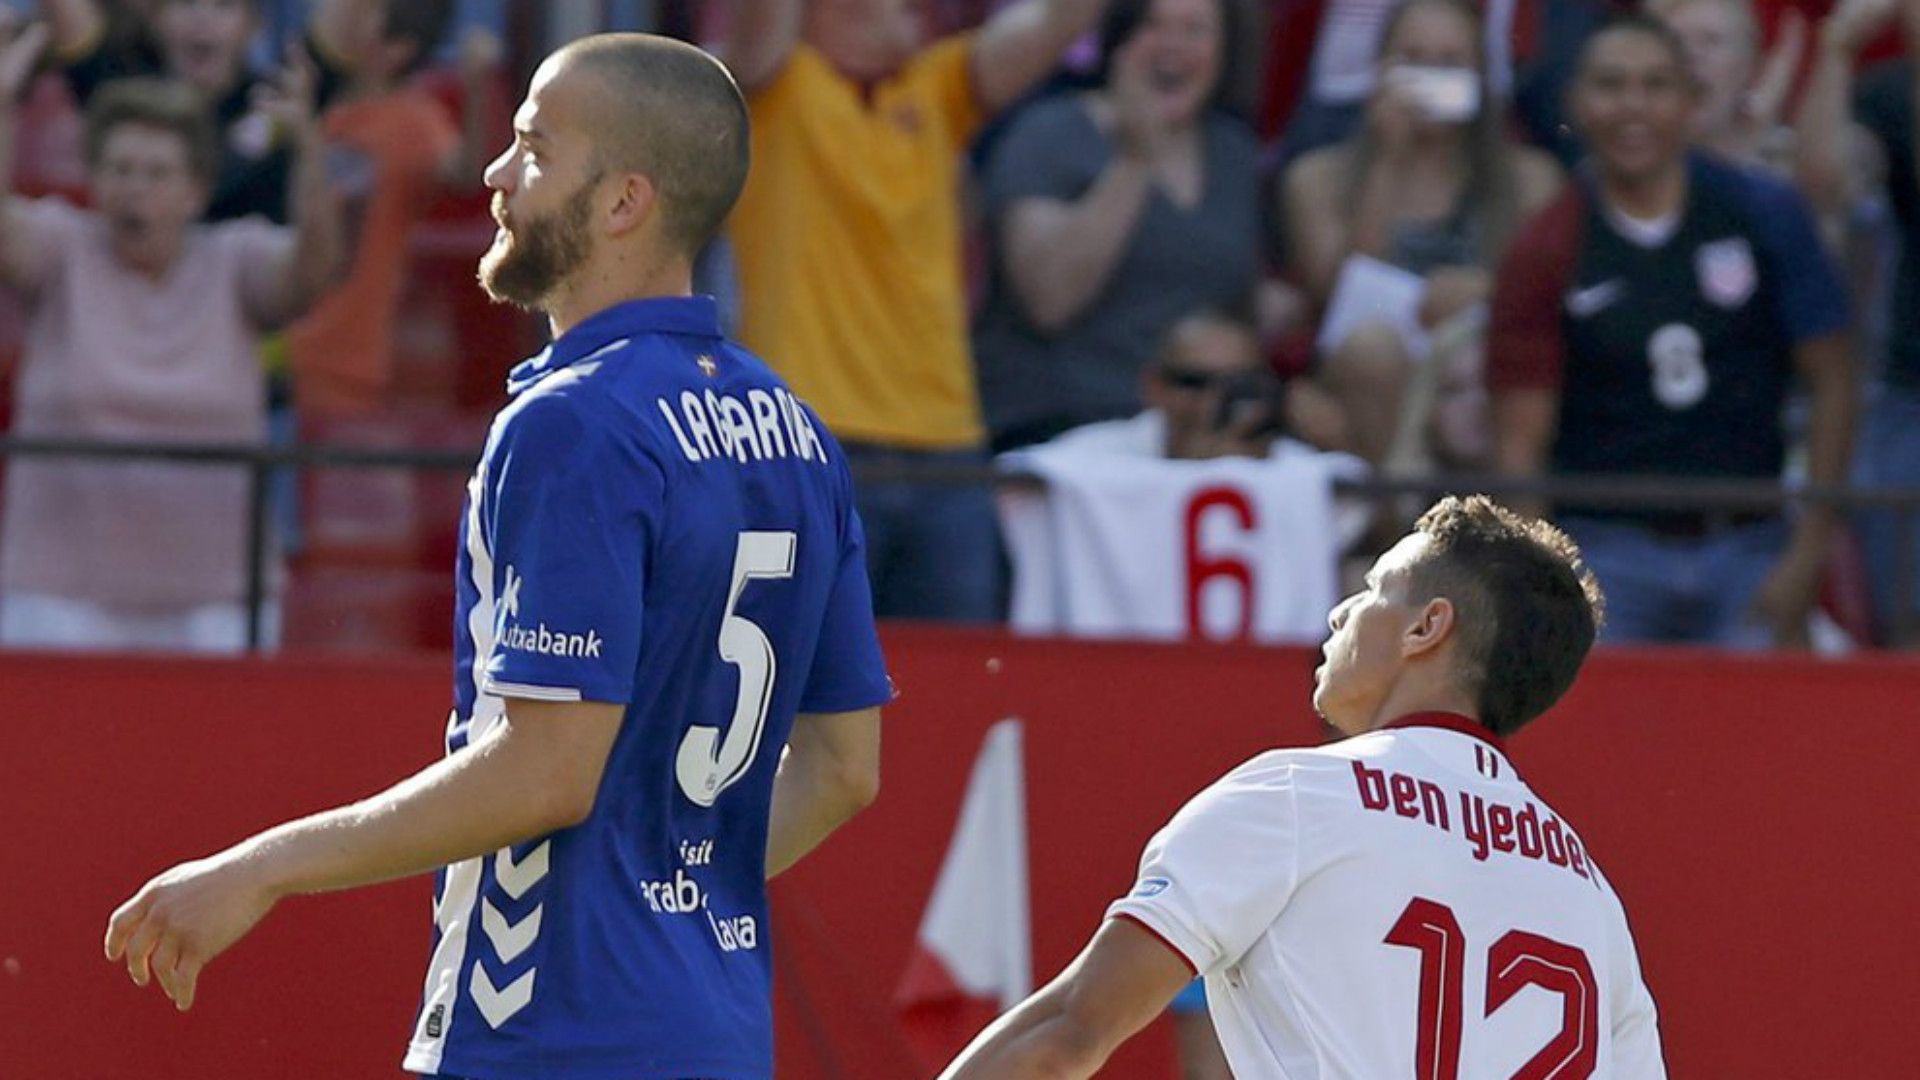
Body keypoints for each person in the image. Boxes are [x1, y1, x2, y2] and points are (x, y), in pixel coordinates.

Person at [103, 33, 893, 1080]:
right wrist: (672, 892)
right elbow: (843, 770)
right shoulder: (795, 428)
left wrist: (262, 868)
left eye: (534, 148)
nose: (495, 172)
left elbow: (547, 770)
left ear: (624, 201)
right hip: (718, 1033)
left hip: (546, 1034)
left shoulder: (575, 421)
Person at [938, 495, 1666, 1078]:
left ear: (1426, 628)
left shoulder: (1292, 796)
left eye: (1373, 587)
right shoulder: (1592, 895)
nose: (1339, 611)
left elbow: (1065, 1039)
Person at [722, 0, 1108, 622]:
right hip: (811, 442)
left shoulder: (934, 87)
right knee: (811, 669)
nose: (916, 13)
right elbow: (757, 39)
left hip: (949, 447)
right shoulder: (773, 85)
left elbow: (1057, 21)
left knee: (958, 675)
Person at [1488, 13, 1855, 649]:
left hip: (1750, 541)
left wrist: (1807, 553)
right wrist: (1558, 587)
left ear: (1689, 100)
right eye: (1611, 85)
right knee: (1600, 713)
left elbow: (1835, 378)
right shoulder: (1546, 246)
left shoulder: (1765, 213)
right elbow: (1520, 445)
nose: (1633, 106)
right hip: (1605, 549)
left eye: (1655, 85)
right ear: (1575, 103)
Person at [0, 29, 342, 651]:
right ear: (94, 178)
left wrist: (308, 148)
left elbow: (313, 272)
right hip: (58, 597)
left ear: (197, 191)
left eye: (157, 173)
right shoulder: (62, 247)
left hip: (217, 600)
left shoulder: (235, 259)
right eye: (119, 170)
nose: (135, 188)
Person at [1282, 0, 1561, 470]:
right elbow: (1334, 299)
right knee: (1373, 350)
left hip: (1478, 357)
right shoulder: (1316, 178)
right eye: (1412, 60)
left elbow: (1552, 295)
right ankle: (1397, 510)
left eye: (1450, 62)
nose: (1429, 77)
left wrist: (1486, 294)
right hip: (1366, 375)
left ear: (1482, 75)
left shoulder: (1531, 179)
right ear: (1379, 71)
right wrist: (1388, 161)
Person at [973, 0, 1260, 452]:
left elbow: (1241, 308)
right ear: (1117, 39)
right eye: (1152, 24)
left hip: (1195, 436)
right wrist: (1136, 158)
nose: (1173, 46)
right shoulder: (1048, 132)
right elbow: (1048, 301)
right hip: (1062, 426)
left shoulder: (1234, 151)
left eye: (1195, 30)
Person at [286, 0, 495, 414]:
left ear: (395, 49)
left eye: (361, 12)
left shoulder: (413, 119)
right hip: (268, 339)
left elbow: (466, 172)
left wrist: (475, 85)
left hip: (343, 358)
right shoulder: (312, 98)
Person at [36, 0, 341, 222]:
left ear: (253, 24)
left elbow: (344, 30)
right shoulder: (120, 92)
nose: (202, 18)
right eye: (185, 2)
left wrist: (307, 140)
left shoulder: (284, 98)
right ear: (157, 18)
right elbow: (70, 22)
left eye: (223, 5)